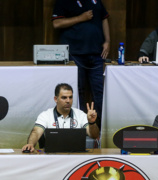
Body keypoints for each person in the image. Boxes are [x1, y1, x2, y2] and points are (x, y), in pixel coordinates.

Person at [51, 0, 110, 128]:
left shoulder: (95, 1)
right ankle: (80, 129)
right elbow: (56, 23)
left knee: (100, 94)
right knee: (78, 95)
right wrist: (80, 18)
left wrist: (107, 41)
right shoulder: (63, 2)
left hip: (97, 55)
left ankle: (98, 130)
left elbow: (104, 19)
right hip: (74, 55)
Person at [22, 83, 100, 152]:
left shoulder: (80, 115)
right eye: (64, 97)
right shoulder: (45, 115)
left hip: (76, 157)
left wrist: (92, 122)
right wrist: (30, 144)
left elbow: (94, 135)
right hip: (51, 157)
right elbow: (36, 132)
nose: (68, 101)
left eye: (70, 97)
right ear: (56, 99)